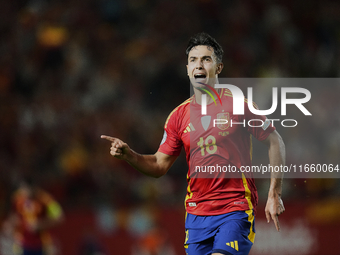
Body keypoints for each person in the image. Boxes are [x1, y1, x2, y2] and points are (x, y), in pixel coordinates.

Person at [101, 32, 285, 255]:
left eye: (206, 59)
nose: (199, 65)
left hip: (234, 207)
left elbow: (275, 141)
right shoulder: (178, 116)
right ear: (187, 69)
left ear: (218, 68)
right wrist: (130, 155)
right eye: (193, 60)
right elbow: (159, 165)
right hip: (196, 214)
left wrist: (274, 192)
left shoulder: (239, 104)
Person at [3, 178, 64, 255]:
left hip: (42, 244)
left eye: (27, 190)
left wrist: (41, 224)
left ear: (34, 188)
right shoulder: (18, 198)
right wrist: (10, 224)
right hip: (22, 243)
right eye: (23, 190)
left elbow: (60, 217)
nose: (25, 193)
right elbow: (15, 215)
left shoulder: (46, 199)